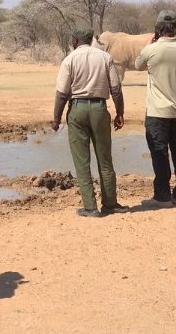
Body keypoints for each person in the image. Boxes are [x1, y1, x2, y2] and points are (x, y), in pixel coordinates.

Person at [51, 27, 129, 217]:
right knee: (105, 158)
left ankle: (90, 206)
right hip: (100, 109)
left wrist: (56, 119)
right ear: (90, 39)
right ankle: (110, 203)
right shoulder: (104, 57)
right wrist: (119, 113)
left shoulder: (69, 60)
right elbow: (116, 90)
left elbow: (62, 94)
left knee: (82, 160)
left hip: (77, 109)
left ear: (75, 40)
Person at [135, 10, 176, 208]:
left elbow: (138, 65)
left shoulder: (152, 50)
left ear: (158, 28)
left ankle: (162, 195)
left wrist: (151, 44)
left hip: (157, 111)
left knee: (159, 152)